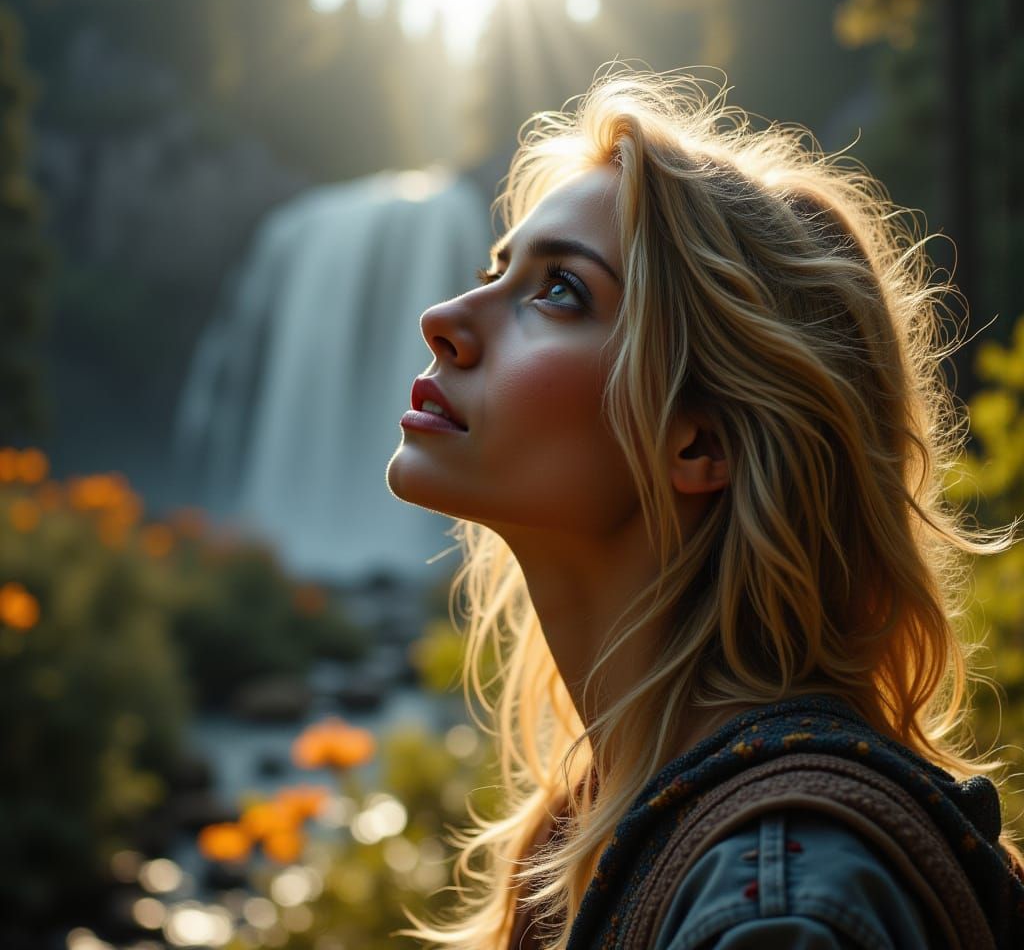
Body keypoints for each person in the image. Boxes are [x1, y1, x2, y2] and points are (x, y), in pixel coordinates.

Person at [385, 69, 1024, 949]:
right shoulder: (598, 829)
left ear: (700, 444)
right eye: (497, 269)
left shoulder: (777, 907)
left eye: (559, 290)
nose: (444, 317)